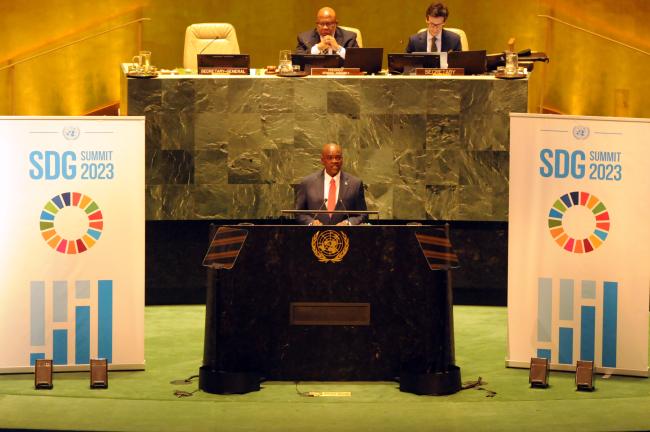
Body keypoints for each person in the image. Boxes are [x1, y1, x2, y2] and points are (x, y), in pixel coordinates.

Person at [295, 143, 368, 226]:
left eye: (338, 158)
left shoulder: (355, 184)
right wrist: (311, 222)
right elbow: (299, 213)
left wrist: (348, 223)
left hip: (346, 236)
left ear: (342, 160)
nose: (334, 161)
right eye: (330, 158)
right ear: (322, 160)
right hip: (315, 236)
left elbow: (363, 214)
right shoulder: (307, 183)